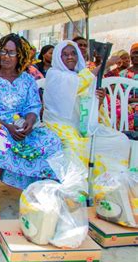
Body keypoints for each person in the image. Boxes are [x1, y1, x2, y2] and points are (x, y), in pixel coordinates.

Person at [0, 34, 62, 226]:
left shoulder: (27, 80)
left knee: (52, 140)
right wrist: (8, 127)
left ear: (20, 55)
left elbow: (33, 107)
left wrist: (30, 123)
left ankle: (42, 196)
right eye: (3, 51)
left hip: (23, 126)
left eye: (11, 52)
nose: (6, 56)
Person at [43, 40, 130, 177]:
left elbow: (89, 105)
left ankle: (110, 181)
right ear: (58, 58)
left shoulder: (82, 74)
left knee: (120, 140)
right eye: (64, 54)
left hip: (83, 125)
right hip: (60, 125)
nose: (70, 57)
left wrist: (99, 100)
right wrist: (106, 64)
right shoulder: (54, 74)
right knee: (77, 146)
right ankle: (80, 187)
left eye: (73, 53)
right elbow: (79, 84)